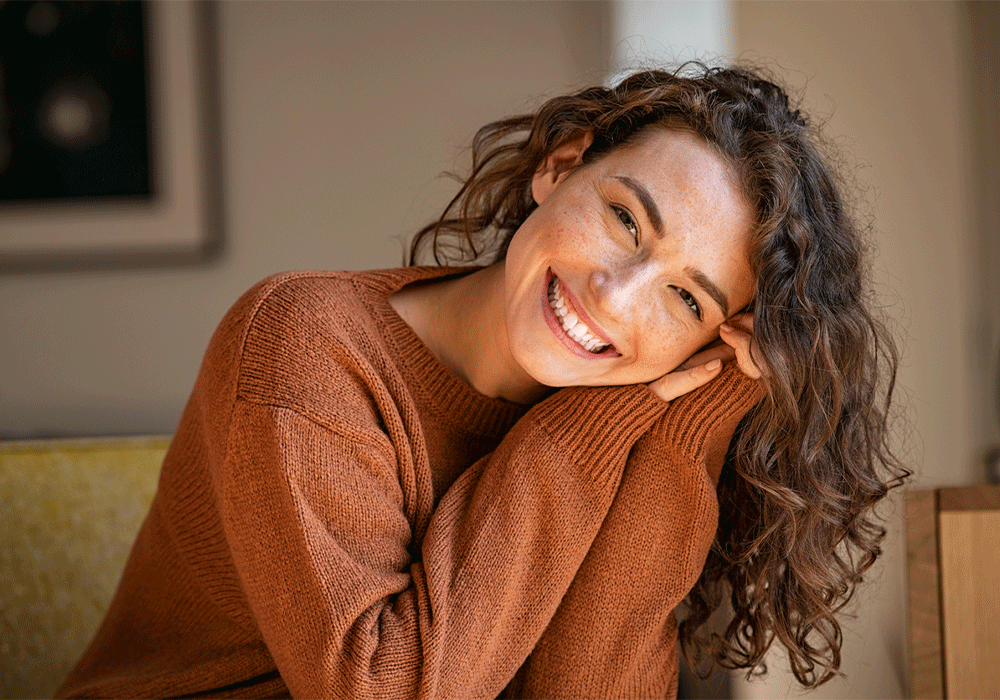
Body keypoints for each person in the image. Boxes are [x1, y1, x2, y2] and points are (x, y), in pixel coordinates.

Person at [56, 63, 905, 699]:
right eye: (622, 219)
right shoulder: (306, 344)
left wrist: (692, 422)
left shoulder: (631, 413)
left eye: (685, 298)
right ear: (559, 166)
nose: (613, 298)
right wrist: (587, 430)